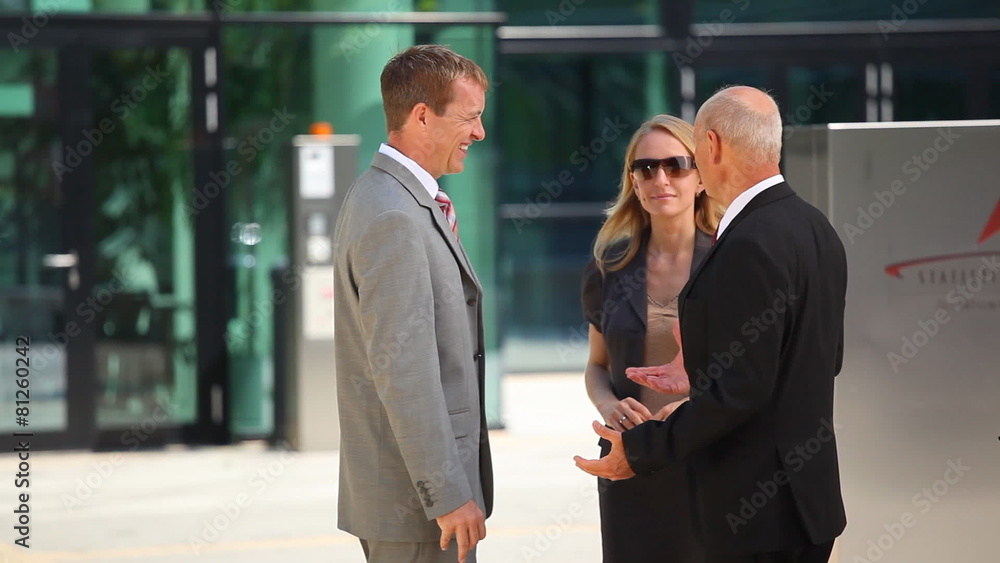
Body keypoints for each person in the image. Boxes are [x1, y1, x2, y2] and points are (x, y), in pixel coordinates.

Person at [575, 86, 849, 563]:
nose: (664, 177)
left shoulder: (746, 244)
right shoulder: (814, 226)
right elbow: (820, 359)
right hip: (802, 507)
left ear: (712, 146)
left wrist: (643, 448)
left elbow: (742, 392)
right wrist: (702, 372)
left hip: (756, 513)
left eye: (685, 158)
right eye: (645, 168)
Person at [332, 45, 492, 563]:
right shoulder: (393, 215)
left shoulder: (390, 197)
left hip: (414, 506)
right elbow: (404, 373)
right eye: (469, 117)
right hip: (419, 512)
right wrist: (447, 495)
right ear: (422, 116)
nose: (479, 132)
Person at [580, 114, 724, 562]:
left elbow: (751, 373)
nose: (660, 179)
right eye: (646, 168)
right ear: (634, 183)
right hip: (629, 459)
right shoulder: (609, 266)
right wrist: (609, 406)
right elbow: (597, 365)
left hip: (712, 458)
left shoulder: (732, 261)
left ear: (701, 178)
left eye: (676, 166)